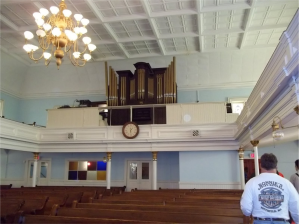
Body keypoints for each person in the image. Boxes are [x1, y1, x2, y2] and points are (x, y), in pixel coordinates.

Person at [240, 153, 299, 224]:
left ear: (260, 165)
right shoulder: (286, 183)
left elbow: (246, 207)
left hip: (260, 221)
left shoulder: (252, 182)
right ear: (276, 166)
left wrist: (247, 213)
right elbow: (296, 206)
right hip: (282, 221)